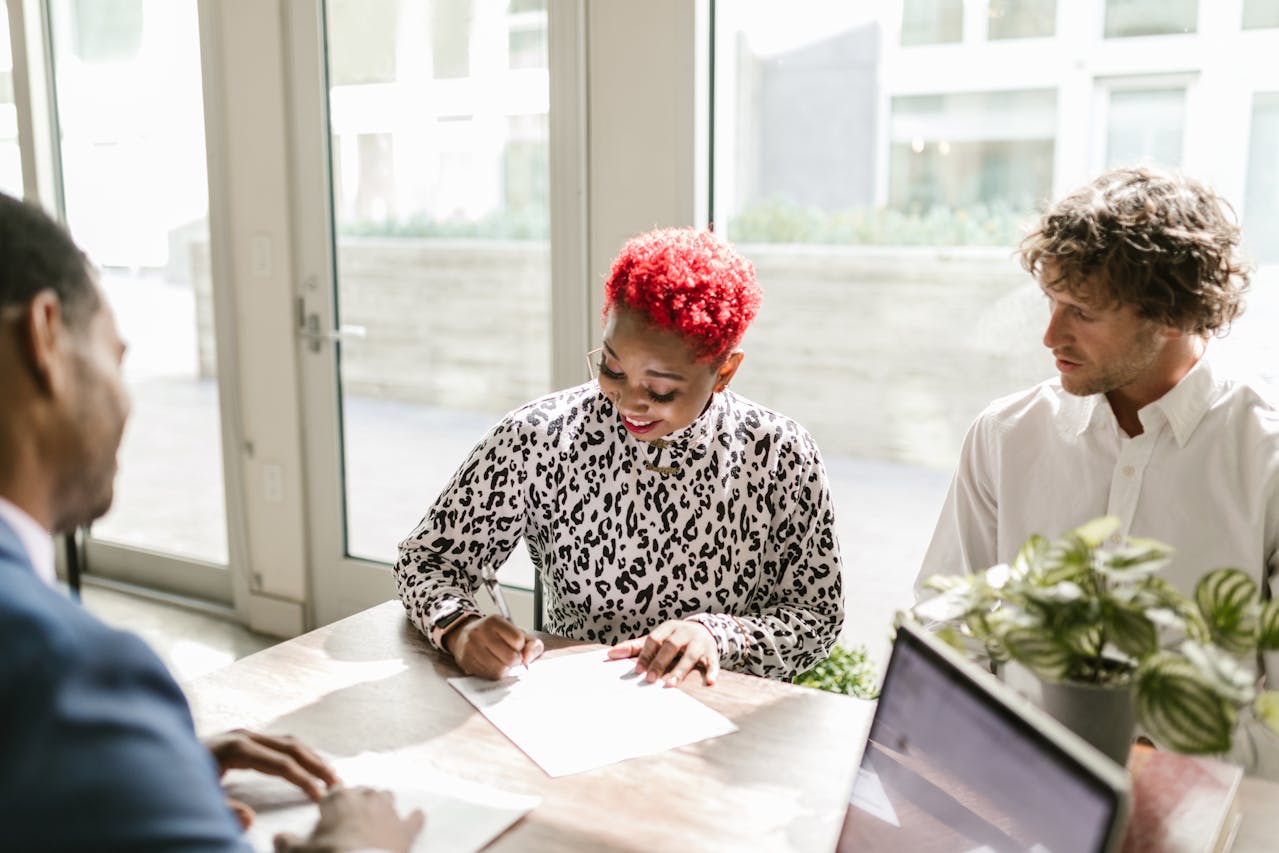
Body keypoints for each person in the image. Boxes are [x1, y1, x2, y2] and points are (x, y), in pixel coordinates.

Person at [0, 191, 424, 851]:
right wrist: (358, 844)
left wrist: (133, 770)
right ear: (45, 335)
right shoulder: (70, 675)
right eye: (116, 357)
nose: (126, 400)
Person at [916, 166, 1279, 775]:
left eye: (1081, 311)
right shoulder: (1006, 435)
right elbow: (946, 629)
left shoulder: (1264, 459)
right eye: (1052, 303)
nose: (1051, 335)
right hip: (1016, 796)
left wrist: (1152, 772)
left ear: (1172, 315)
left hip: (1210, 818)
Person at [395, 227, 844, 686]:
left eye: (661, 389)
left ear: (724, 371)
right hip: (573, 709)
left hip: (718, 723)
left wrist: (718, 633)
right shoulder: (538, 437)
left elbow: (818, 616)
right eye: (612, 368)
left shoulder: (781, 455)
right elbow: (426, 561)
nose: (629, 403)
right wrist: (460, 628)